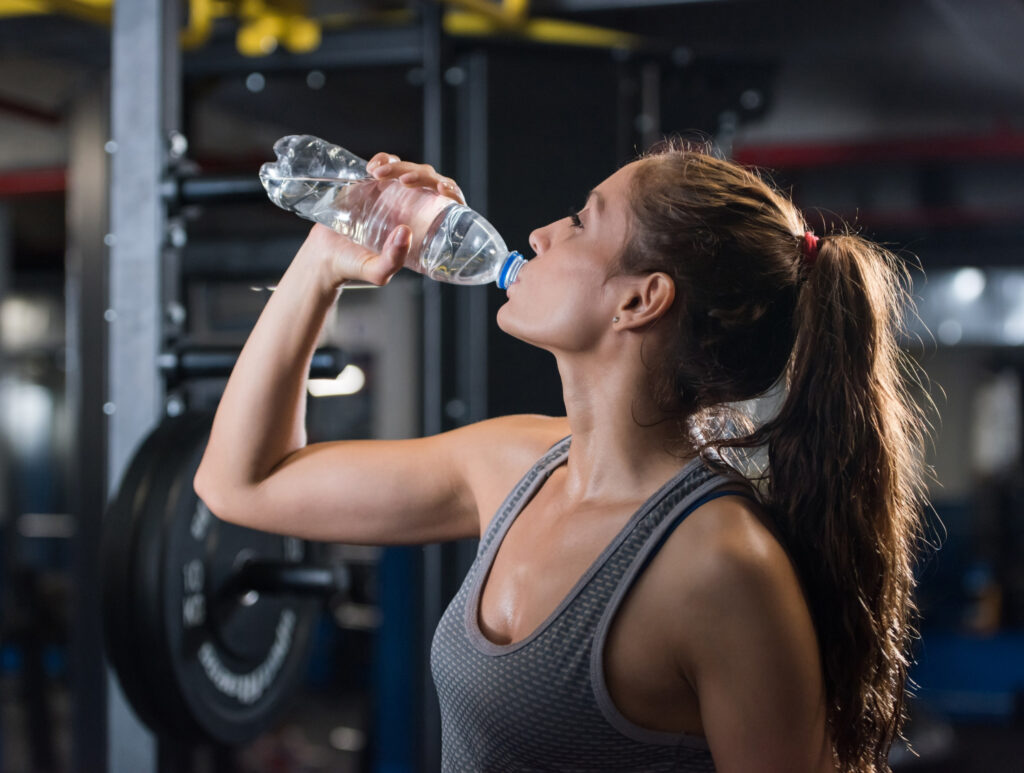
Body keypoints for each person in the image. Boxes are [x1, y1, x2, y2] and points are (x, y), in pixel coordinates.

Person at [194, 139, 932, 773]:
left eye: (582, 222)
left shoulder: (720, 564)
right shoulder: (515, 463)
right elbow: (242, 482)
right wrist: (323, 262)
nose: (543, 233)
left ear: (640, 300)